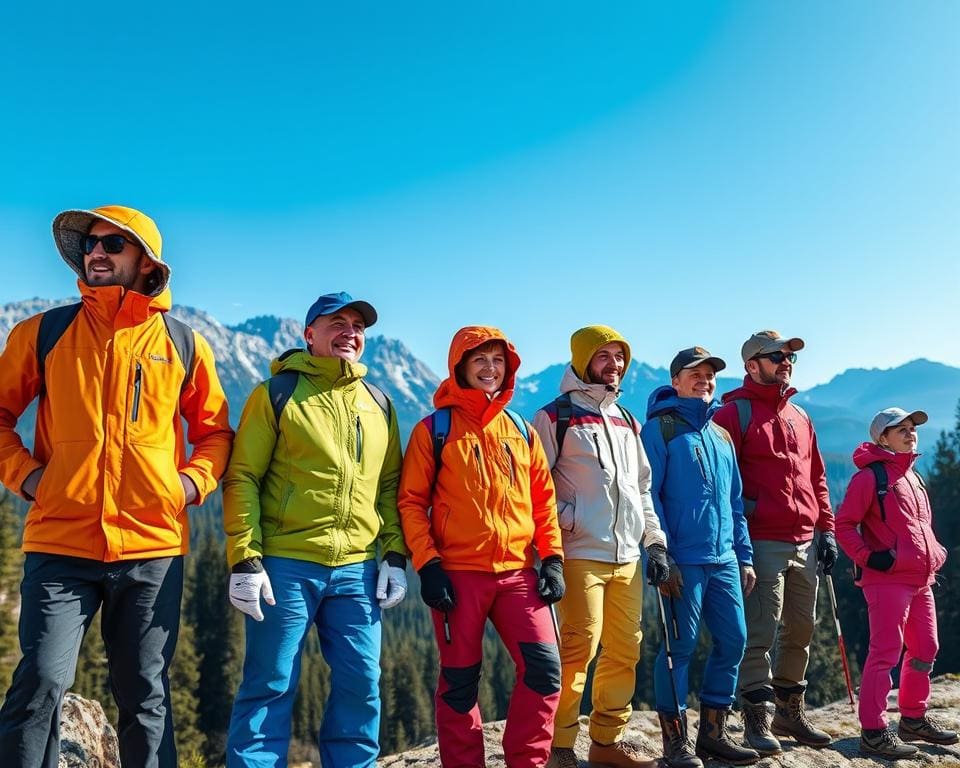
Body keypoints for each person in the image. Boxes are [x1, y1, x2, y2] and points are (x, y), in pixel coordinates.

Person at [0, 205, 234, 768]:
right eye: (90, 245)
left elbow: (216, 434)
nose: (96, 253)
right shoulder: (44, 332)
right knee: (38, 685)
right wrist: (30, 477)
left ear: (145, 261)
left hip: (152, 548)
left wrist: (185, 487)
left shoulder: (184, 343)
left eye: (112, 244)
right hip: (60, 542)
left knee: (146, 695)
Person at [223, 291, 407, 768]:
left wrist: (394, 555)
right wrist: (246, 556)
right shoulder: (277, 394)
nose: (349, 332)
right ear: (309, 336)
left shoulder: (379, 403)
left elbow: (389, 486)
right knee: (270, 681)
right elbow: (242, 475)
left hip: (358, 569)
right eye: (336, 323)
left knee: (362, 683)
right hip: (285, 564)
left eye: (357, 326)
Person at [398, 326, 564, 768]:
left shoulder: (521, 430)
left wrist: (551, 558)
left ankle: (527, 762)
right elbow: (411, 502)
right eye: (480, 361)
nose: (490, 369)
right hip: (457, 575)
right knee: (459, 682)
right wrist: (428, 564)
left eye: (497, 361)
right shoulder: (433, 430)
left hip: (518, 574)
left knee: (546, 672)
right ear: (461, 368)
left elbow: (543, 500)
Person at [531, 325, 669, 768]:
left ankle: (607, 742)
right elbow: (539, 490)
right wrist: (556, 539)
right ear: (583, 360)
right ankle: (560, 747)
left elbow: (641, 489)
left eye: (620, 356)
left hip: (627, 556)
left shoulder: (627, 420)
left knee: (625, 648)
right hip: (579, 553)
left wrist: (655, 543)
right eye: (605, 356)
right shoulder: (554, 417)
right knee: (578, 649)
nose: (615, 365)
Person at [711, 330, 836, 755]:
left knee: (801, 630)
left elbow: (816, 476)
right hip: (760, 540)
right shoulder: (732, 415)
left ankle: (789, 712)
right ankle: (757, 720)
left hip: (806, 541)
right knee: (760, 631)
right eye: (776, 356)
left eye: (790, 357)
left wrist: (828, 530)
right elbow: (721, 484)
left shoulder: (800, 416)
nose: (786, 361)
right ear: (751, 365)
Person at [641, 347, 759, 767]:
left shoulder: (722, 435)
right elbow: (648, 498)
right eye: (695, 373)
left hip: (724, 559)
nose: (704, 380)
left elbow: (734, 502)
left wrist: (744, 557)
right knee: (679, 646)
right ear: (676, 381)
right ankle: (676, 741)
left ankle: (712, 734)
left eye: (710, 374)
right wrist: (661, 555)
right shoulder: (661, 430)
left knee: (734, 640)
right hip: (682, 561)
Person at [836, 407, 956, 759]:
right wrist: (871, 558)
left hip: (920, 579)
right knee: (886, 652)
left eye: (911, 428)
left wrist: (936, 551)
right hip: (886, 580)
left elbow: (921, 527)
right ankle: (873, 731)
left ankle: (913, 718)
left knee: (926, 648)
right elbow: (844, 525)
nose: (909, 433)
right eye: (899, 429)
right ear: (882, 438)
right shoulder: (870, 478)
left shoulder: (912, 477)